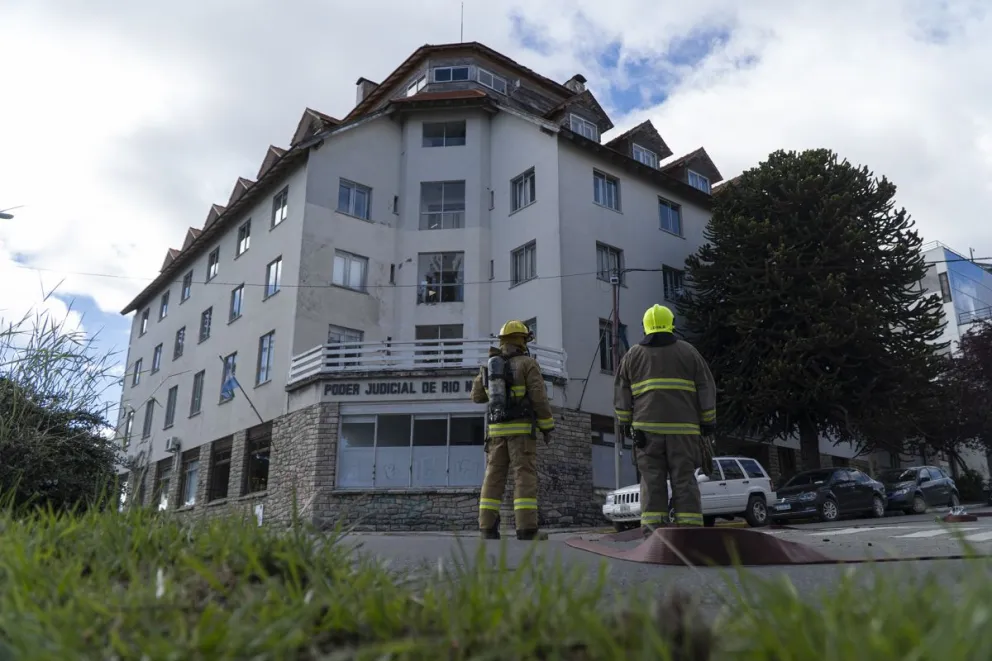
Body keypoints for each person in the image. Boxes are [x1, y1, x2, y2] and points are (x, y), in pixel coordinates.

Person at [613, 304, 716, 535]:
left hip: (646, 433)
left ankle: (653, 532)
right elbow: (706, 386)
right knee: (684, 478)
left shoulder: (632, 356)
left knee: (651, 480)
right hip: (685, 431)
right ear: (671, 324)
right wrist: (708, 421)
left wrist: (625, 424)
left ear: (645, 327)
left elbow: (622, 393)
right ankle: (690, 530)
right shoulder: (689, 352)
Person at [471, 320, 555, 541]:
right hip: (521, 433)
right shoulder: (528, 364)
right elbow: (539, 398)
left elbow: (476, 397)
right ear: (521, 341)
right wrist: (547, 427)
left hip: (496, 432)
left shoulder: (489, 365)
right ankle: (527, 529)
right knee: (523, 477)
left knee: (493, 478)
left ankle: (486, 528)